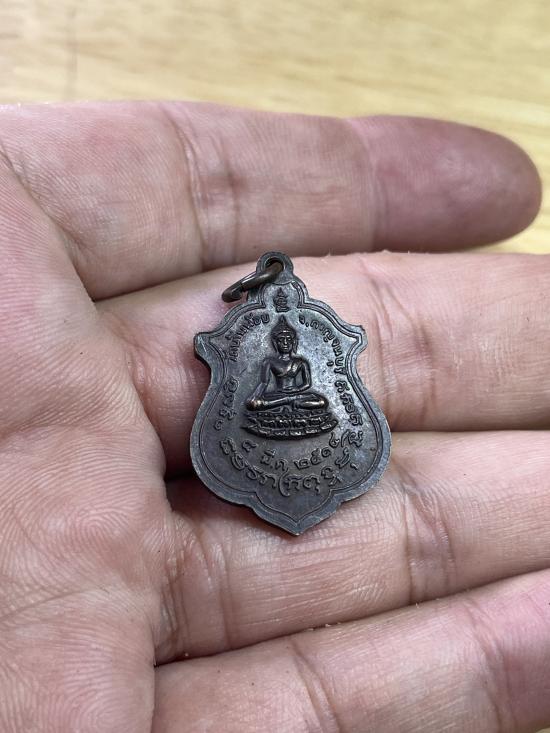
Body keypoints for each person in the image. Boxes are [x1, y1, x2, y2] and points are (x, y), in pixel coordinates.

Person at [0, 101, 549, 733]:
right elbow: (256, 394)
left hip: (305, 414)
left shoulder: (303, 357)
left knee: (309, 401)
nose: (286, 349)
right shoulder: (264, 355)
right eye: (281, 343)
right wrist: (270, 392)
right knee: (267, 403)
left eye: (291, 344)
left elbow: (316, 391)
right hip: (271, 416)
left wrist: (299, 389)